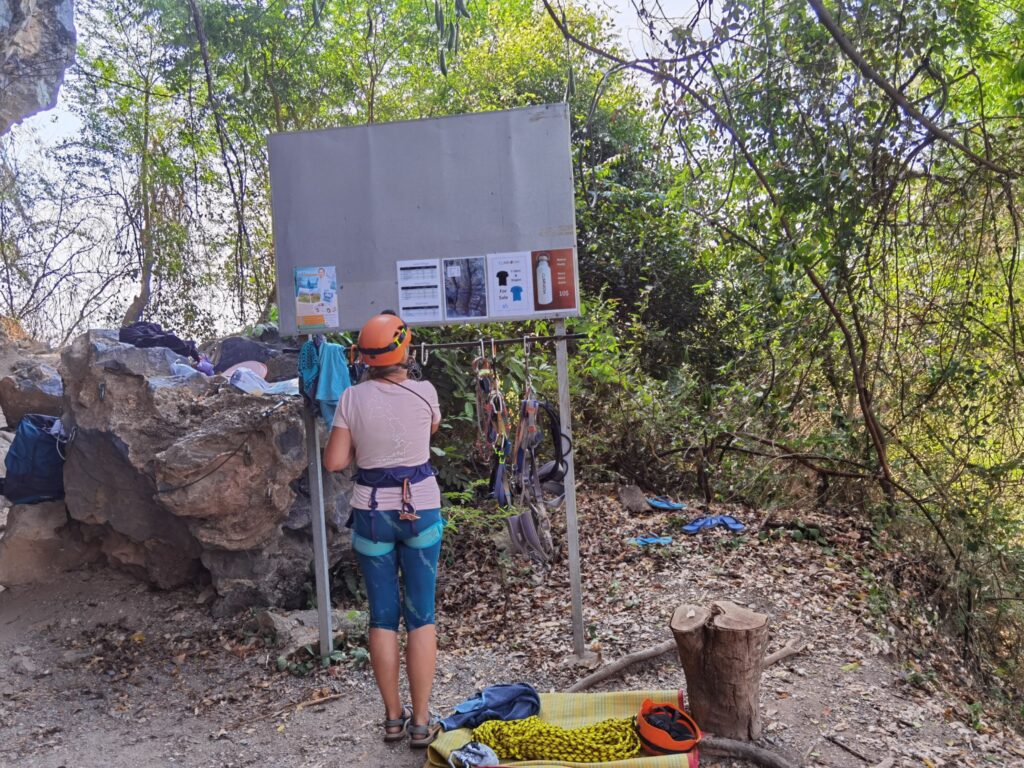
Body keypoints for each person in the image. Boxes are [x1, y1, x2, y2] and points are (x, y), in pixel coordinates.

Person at [324, 313, 443, 748]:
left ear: (363, 357)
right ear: (405, 350)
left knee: (382, 618)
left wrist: (362, 440)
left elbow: (335, 462)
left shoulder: (351, 398)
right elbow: (429, 429)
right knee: (422, 616)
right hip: (421, 510)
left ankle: (393, 719)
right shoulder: (426, 392)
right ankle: (421, 722)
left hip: (373, 513)